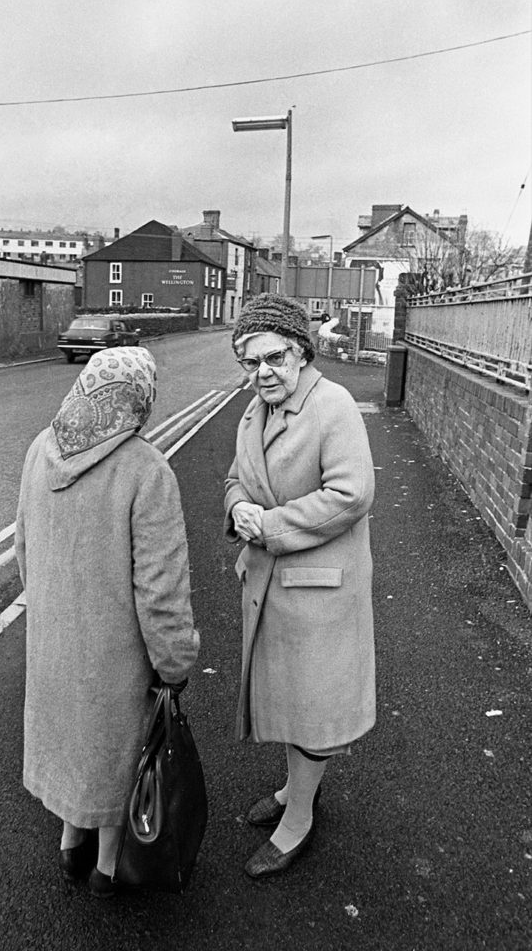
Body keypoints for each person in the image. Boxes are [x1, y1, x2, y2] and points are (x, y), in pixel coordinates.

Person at [15, 346, 199, 898]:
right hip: (116, 655)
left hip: (53, 640)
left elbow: (23, 549)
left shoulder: (40, 451)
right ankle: (109, 865)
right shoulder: (147, 470)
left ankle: (72, 841)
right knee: (117, 749)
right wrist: (175, 661)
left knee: (73, 742)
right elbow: (161, 590)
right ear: (139, 399)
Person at [224, 293, 376, 879]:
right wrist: (237, 506)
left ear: (302, 351)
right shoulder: (255, 409)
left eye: (275, 357)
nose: (262, 372)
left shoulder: (332, 406)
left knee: (314, 708)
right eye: (249, 361)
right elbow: (237, 475)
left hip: (318, 591)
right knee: (290, 700)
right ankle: (296, 788)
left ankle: (300, 820)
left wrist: (270, 526)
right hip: (271, 584)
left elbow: (352, 494)